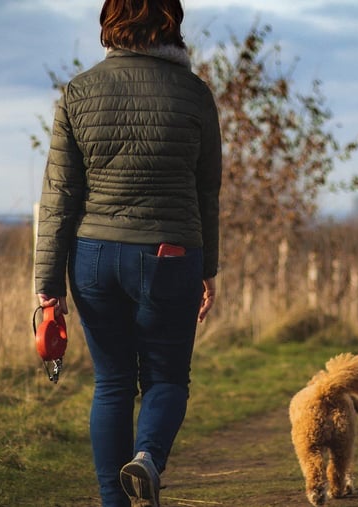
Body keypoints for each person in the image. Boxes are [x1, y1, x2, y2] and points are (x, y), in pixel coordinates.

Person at [33, 0, 221, 505]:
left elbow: (59, 194)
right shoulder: (195, 94)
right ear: (171, 23)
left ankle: (113, 501)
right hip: (170, 256)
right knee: (166, 378)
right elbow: (207, 189)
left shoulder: (79, 91)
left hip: (93, 258)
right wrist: (209, 267)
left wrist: (48, 285)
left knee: (112, 383)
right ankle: (147, 459)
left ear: (110, 22)